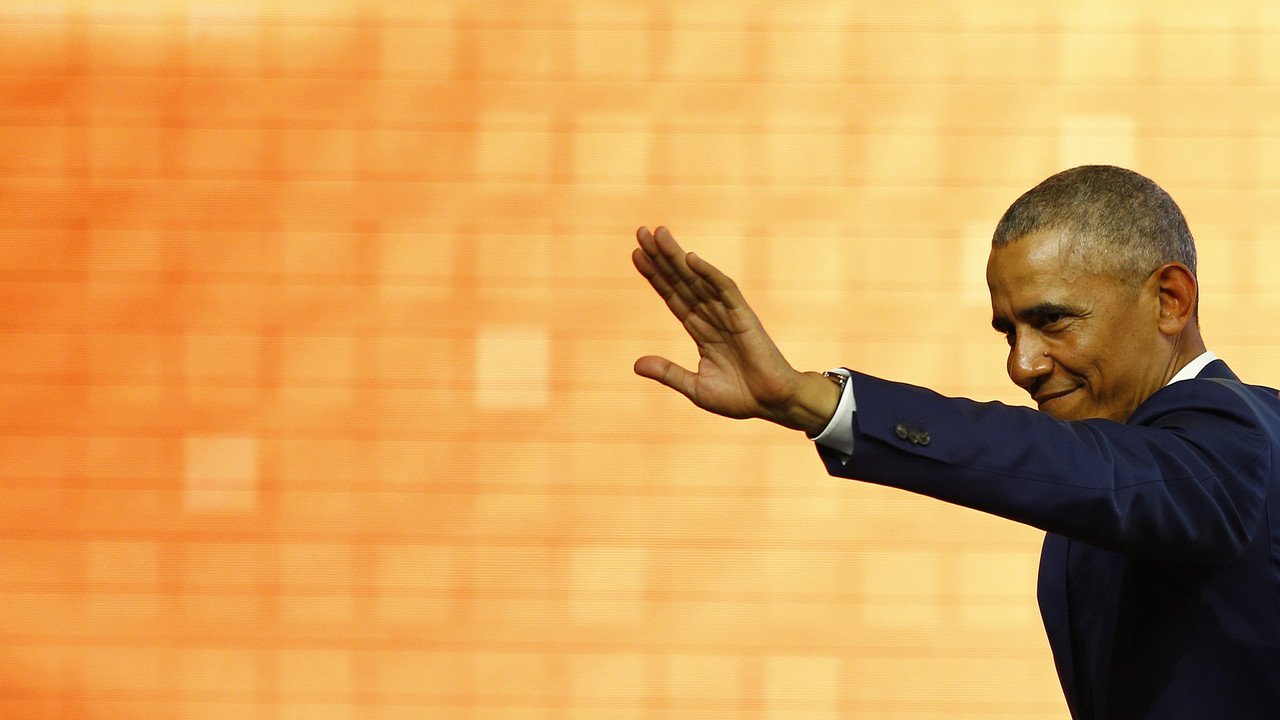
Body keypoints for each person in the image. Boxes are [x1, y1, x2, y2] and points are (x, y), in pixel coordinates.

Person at [632, 165, 1280, 720]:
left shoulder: (1237, 440)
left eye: (1053, 320)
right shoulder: (1097, 491)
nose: (1022, 366)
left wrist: (815, 400)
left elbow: (1069, 464)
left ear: (1170, 299)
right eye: (1008, 332)